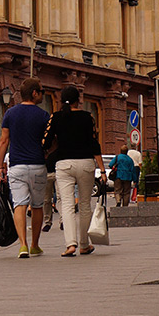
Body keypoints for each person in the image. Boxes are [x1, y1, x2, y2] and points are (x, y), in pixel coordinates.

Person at [43, 84, 107, 257]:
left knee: (67, 204)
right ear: (78, 100)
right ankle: (84, 244)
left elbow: (46, 142)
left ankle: (70, 244)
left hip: (64, 164)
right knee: (85, 204)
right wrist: (102, 170)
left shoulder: (56, 117)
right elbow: (94, 143)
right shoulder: (88, 117)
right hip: (86, 163)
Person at [0, 77, 49, 258]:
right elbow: (50, 141)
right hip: (38, 165)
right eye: (41, 92)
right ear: (34, 93)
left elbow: (4, 141)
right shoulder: (44, 115)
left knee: (19, 204)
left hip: (17, 166)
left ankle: (23, 245)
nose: (42, 95)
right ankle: (35, 245)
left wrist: (0, 165)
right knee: (37, 206)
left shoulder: (10, 113)